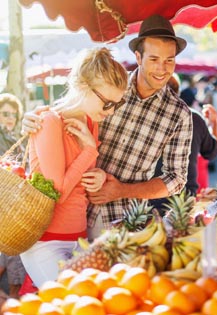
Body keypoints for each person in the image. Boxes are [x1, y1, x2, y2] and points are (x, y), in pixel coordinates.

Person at [23, 15, 193, 241]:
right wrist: (35, 118)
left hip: (126, 221)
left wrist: (121, 190)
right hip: (75, 212)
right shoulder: (110, 86)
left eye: (169, 60)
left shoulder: (179, 114)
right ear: (138, 57)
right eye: (154, 59)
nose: (162, 69)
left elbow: (176, 179)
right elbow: (66, 113)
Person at [19, 48, 128, 287]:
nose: (110, 112)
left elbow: (79, 176)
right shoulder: (49, 121)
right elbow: (57, 192)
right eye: (107, 103)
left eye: (116, 106)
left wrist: (100, 176)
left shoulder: (91, 120)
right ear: (83, 87)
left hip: (79, 237)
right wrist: (90, 150)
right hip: (46, 243)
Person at [0, 94, 27, 298]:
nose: (10, 118)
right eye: (5, 114)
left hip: (14, 205)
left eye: (14, 114)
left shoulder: (15, 139)